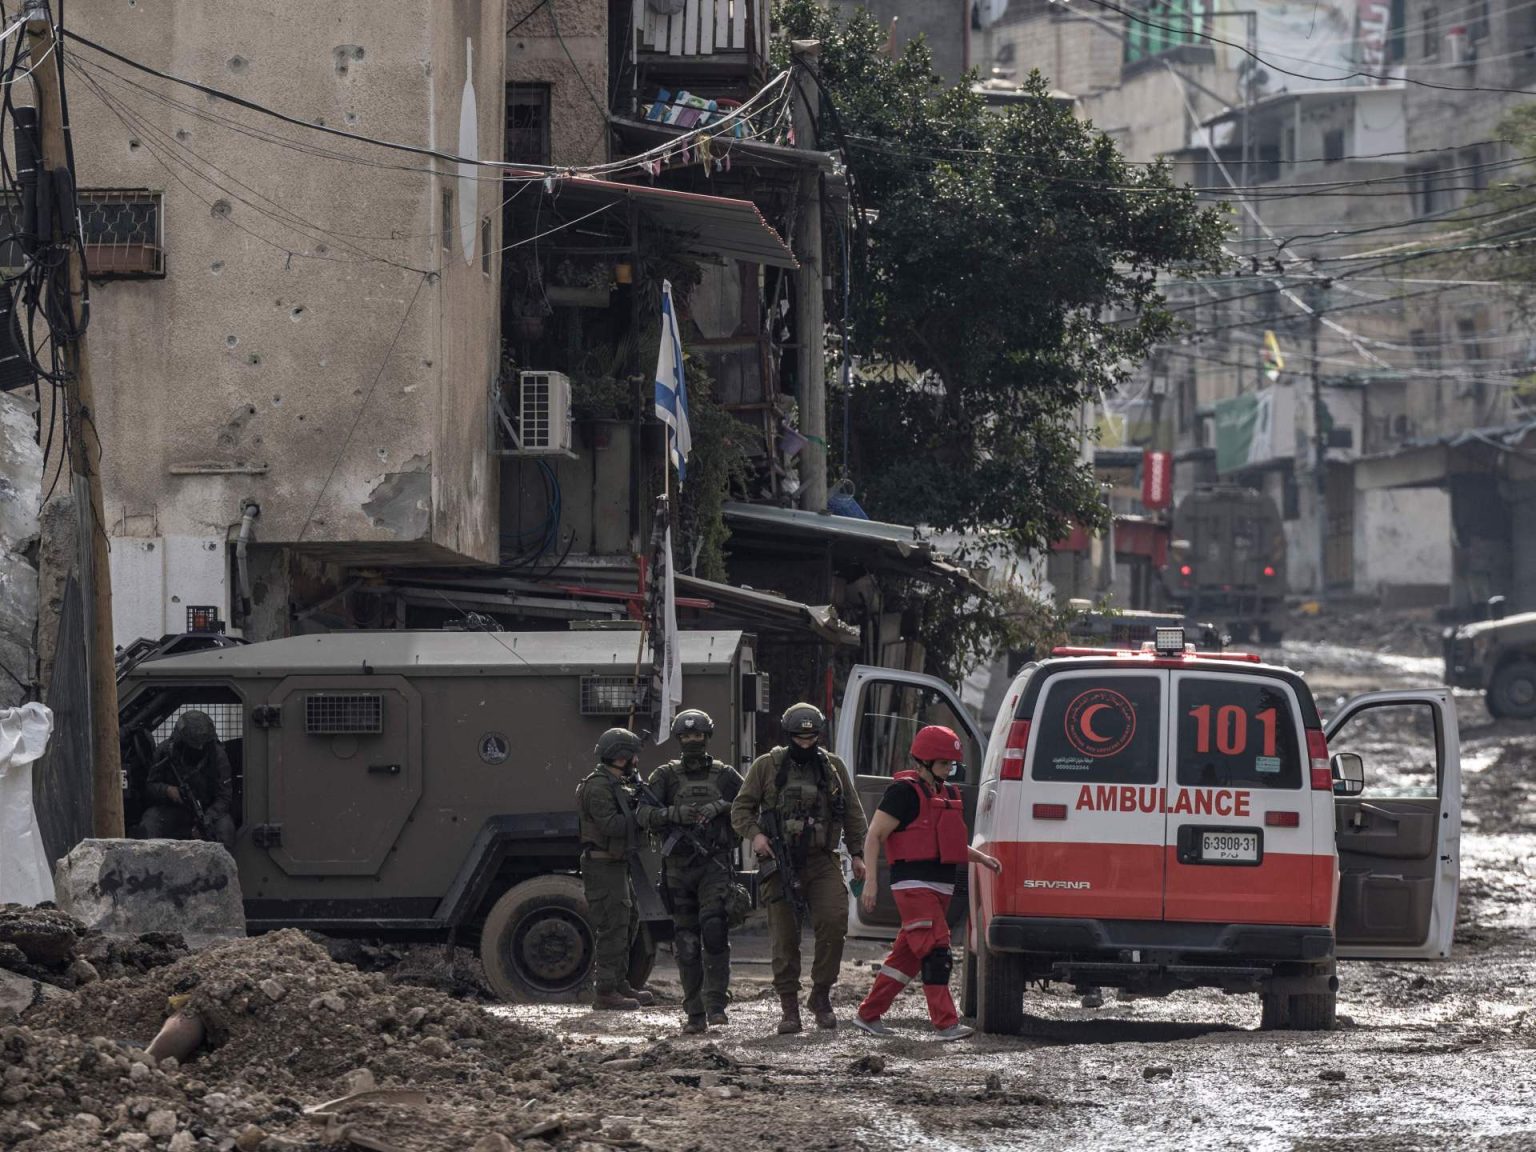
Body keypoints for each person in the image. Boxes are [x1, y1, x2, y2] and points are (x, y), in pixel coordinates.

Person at [853, 724, 1002, 1041]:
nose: (949, 769)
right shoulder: (902, 793)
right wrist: (870, 884)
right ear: (925, 761)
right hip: (912, 886)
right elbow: (875, 836)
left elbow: (946, 845)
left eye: (951, 764)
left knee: (905, 959)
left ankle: (868, 1015)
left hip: (941, 889)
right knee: (937, 949)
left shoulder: (947, 794)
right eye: (944, 763)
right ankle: (946, 1023)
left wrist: (983, 859)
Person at [731, 702, 868, 1034]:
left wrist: (858, 854)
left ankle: (820, 995)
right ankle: (789, 1008)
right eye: (799, 738)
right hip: (779, 862)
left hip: (822, 860)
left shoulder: (832, 767)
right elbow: (740, 809)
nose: (805, 744)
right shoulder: (767, 766)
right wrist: (757, 836)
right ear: (789, 735)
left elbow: (853, 813)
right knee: (784, 937)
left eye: (811, 738)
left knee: (834, 923)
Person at [636, 708, 743, 1034]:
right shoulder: (665, 776)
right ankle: (694, 1011)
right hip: (678, 868)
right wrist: (674, 814)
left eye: (697, 736)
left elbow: (751, 805)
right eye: (686, 736)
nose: (692, 741)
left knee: (713, 931)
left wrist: (720, 807)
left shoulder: (725, 776)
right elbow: (642, 813)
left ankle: (716, 1006)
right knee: (685, 941)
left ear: (707, 737)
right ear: (679, 739)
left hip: (714, 866)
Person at [576, 727, 658, 1011]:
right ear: (620, 757)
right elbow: (610, 825)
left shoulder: (617, 782)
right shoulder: (597, 787)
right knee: (613, 925)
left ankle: (620, 982)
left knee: (629, 919)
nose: (636, 760)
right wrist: (640, 815)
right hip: (602, 864)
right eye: (632, 755)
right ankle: (606, 991)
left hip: (617, 862)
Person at [139, 710, 237, 851]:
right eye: (195, 745)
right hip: (175, 810)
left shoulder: (218, 756)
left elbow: (224, 797)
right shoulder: (165, 751)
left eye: (203, 744)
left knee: (225, 829)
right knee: (151, 822)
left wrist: (206, 820)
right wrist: (167, 790)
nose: (200, 748)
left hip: (208, 810)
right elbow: (149, 786)